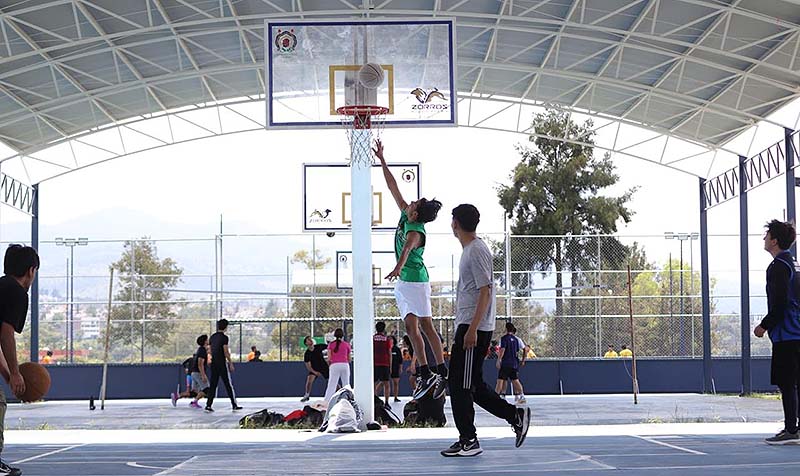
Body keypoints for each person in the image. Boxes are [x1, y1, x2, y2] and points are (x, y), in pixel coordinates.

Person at [442, 205, 529, 457]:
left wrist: (472, 329)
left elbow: (486, 291)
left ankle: (469, 440)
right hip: (469, 326)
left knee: (460, 385)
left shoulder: (476, 250)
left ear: (456, 223)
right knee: (472, 384)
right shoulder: (469, 250)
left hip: (474, 329)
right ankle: (514, 415)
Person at [373, 139, 447, 400]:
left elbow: (406, 249)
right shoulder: (407, 213)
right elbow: (393, 187)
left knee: (426, 326)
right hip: (405, 281)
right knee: (410, 327)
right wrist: (382, 160)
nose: (411, 201)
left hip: (416, 280)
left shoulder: (415, 231)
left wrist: (396, 267)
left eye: (415, 203)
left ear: (416, 215)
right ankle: (426, 371)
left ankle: (441, 371)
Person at [754, 220, 800, 445]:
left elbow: (780, 303)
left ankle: (791, 429)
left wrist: (764, 325)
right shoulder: (794, 264)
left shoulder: (779, 266)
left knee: (787, 382)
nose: (763, 238)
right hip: (796, 332)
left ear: (774, 240)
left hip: (787, 334)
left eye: (766, 235)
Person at [0, 244, 39, 476]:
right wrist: (15, 373)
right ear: (31, 270)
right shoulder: (16, 292)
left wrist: (8, 376)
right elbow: (5, 334)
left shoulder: (1, 286)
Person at [205, 319, 242, 413]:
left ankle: (208, 405)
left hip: (214, 364)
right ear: (226, 327)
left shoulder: (212, 337)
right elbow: (225, 351)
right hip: (221, 363)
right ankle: (234, 405)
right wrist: (230, 363)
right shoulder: (224, 338)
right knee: (228, 384)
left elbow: (209, 350)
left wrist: (209, 358)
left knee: (213, 385)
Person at [496, 322, 527, 404]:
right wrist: (523, 360)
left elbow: (502, 349)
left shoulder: (504, 338)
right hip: (514, 363)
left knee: (500, 380)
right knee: (515, 380)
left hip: (506, 362)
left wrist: (499, 360)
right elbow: (525, 349)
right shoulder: (517, 339)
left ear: (506, 329)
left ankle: (496, 397)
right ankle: (522, 396)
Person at [323, 328, 351, 406]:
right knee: (346, 384)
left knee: (332, 384)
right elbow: (349, 359)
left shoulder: (331, 345)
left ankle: (327, 401)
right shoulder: (346, 344)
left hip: (334, 365)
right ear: (343, 335)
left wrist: (330, 365)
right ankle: (348, 400)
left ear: (335, 335)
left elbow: (329, 358)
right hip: (345, 365)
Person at [301, 336, 328, 402]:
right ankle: (307, 395)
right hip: (314, 369)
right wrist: (315, 372)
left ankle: (340, 394)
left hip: (324, 367)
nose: (310, 340)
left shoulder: (319, 346)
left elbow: (329, 347)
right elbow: (308, 367)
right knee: (309, 380)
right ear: (306, 343)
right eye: (308, 340)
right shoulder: (307, 354)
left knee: (332, 381)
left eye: (310, 339)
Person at [373, 322, 392, 407]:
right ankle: (387, 402)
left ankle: (374, 400)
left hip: (375, 364)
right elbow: (389, 353)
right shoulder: (386, 339)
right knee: (386, 384)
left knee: (373, 383)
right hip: (385, 364)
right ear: (384, 329)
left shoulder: (372, 339)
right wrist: (390, 366)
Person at [190, 334, 210, 409]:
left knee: (194, 391)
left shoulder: (202, 350)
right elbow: (200, 364)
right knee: (207, 389)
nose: (208, 340)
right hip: (198, 373)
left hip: (194, 372)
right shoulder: (202, 350)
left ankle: (177, 396)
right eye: (207, 339)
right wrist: (203, 375)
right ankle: (195, 402)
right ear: (205, 341)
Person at [390, 335, 402, 403]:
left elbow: (400, 360)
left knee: (396, 383)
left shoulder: (397, 349)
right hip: (387, 367)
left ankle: (395, 397)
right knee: (383, 383)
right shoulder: (386, 348)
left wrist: (400, 368)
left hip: (396, 367)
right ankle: (375, 395)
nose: (390, 340)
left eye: (391, 339)